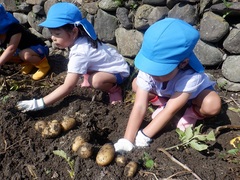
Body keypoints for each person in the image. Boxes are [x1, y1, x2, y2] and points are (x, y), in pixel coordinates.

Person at [114, 18, 222, 152]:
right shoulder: (149, 69)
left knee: (213, 105)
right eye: (151, 68)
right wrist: (127, 139)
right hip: (167, 93)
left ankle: (190, 114)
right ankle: (162, 102)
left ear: (183, 63)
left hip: (191, 97)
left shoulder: (190, 77)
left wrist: (144, 135)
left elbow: (170, 110)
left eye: (159, 71)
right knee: (137, 84)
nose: (152, 74)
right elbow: (140, 105)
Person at [16, 2, 130, 112]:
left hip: (118, 71)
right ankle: (89, 77)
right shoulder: (79, 39)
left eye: (57, 34)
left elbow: (68, 86)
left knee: (95, 81)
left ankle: (114, 90)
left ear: (74, 31)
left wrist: (39, 103)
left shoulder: (80, 52)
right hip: (105, 65)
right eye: (52, 33)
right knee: (87, 76)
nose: (53, 38)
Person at [0, 4, 50, 80]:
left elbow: (11, 49)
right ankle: (29, 63)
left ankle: (44, 65)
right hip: (21, 52)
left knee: (24, 55)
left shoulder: (14, 29)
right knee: (7, 56)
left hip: (38, 48)